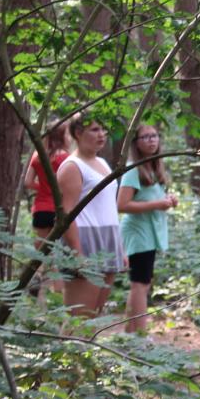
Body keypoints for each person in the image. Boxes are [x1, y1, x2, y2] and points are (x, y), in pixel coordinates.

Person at [56, 113, 125, 318]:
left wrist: (119, 248)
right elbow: (66, 213)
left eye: (103, 129)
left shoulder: (102, 162)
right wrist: (77, 254)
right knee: (79, 318)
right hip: (84, 240)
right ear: (78, 133)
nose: (102, 134)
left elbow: (107, 206)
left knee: (93, 317)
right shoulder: (72, 166)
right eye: (95, 130)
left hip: (108, 238)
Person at [117, 124, 178, 335]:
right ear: (136, 143)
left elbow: (150, 197)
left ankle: (130, 334)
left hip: (149, 234)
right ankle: (140, 336)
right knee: (140, 284)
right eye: (145, 137)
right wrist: (157, 204)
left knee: (142, 283)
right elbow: (122, 205)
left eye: (154, 136)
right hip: (137, 233)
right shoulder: (133, 169)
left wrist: (168, 200)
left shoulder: (153, 167)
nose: (151, 140)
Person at [23, 120, 71, 290]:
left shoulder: (38, 156)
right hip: (58, 210)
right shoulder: (66, 158)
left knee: (43, 254)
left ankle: (39, 287)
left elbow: (28, 182)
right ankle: (57, 293)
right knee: (58, 255)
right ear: (63, 136)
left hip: (40, 210)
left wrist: (43, 187)